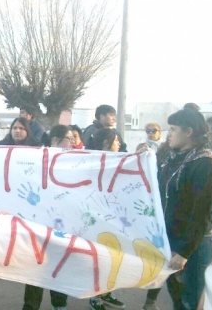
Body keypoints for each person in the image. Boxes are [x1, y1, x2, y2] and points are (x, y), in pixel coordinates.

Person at [159, 108, 212, 310]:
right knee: (177, 299)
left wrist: (185, 252)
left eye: (173, 129)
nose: (169, 134)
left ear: (188, 132)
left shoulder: (205, 163)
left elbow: (202, 212)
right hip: (173, 240)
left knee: (191, 302)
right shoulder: (173, 158)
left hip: (195, 243)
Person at [22, 125, 73, 310]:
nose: (73, 143)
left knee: (59, 265)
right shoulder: (37, 159)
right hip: (39, 224)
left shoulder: (75, 161)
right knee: (36, 267)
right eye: (69, 138)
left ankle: (60, 304)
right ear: (56, 140)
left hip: (62, 226)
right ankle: (31, 305)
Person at [85, 128, 127, 310]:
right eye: (116, 140)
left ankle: (106, 293)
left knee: (114, 258)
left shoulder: (121, 161)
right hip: (95, 218)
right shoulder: (92, 161)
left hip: (115, 218)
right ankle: (95, 297)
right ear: (106, 144)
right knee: (100, 259)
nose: (119, 144)